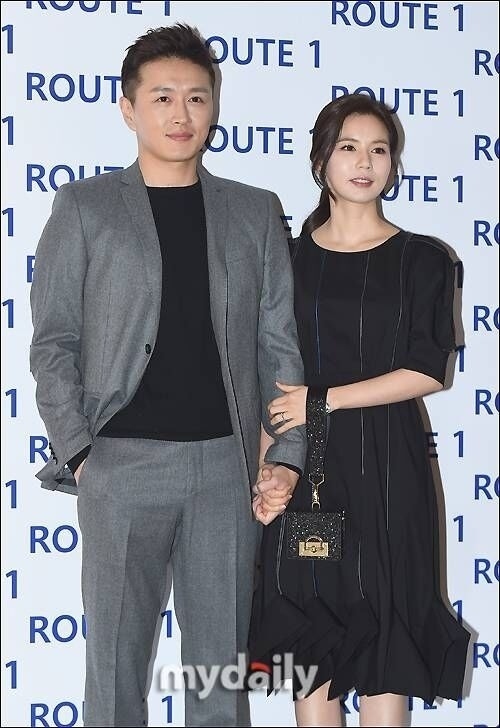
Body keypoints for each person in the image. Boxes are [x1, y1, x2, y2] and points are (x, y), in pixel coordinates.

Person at [29, 23, 307, 728]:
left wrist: (286, 454)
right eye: (162, 98)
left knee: (219, 680)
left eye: (196, 97)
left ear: (214, 105)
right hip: (120, 466)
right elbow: (54, 341)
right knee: (115, 675)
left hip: (225, 471)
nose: (181, 114)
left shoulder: (254, 211)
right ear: (129, 109)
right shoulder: (85, 208)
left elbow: (279, 347)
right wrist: (82, 453)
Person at [248, 93, 471, 727]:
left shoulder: (425, 259)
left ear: (394, 164)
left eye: (379, 150)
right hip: (306, 470)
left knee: (386, 632)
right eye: (349, 147)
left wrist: (325, 400)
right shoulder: (286, 260)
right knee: (310, 637)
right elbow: (272, 377)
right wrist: (267, 473)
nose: (365, 162)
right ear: (321, 160)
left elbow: (428, 368)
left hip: (390, 468)